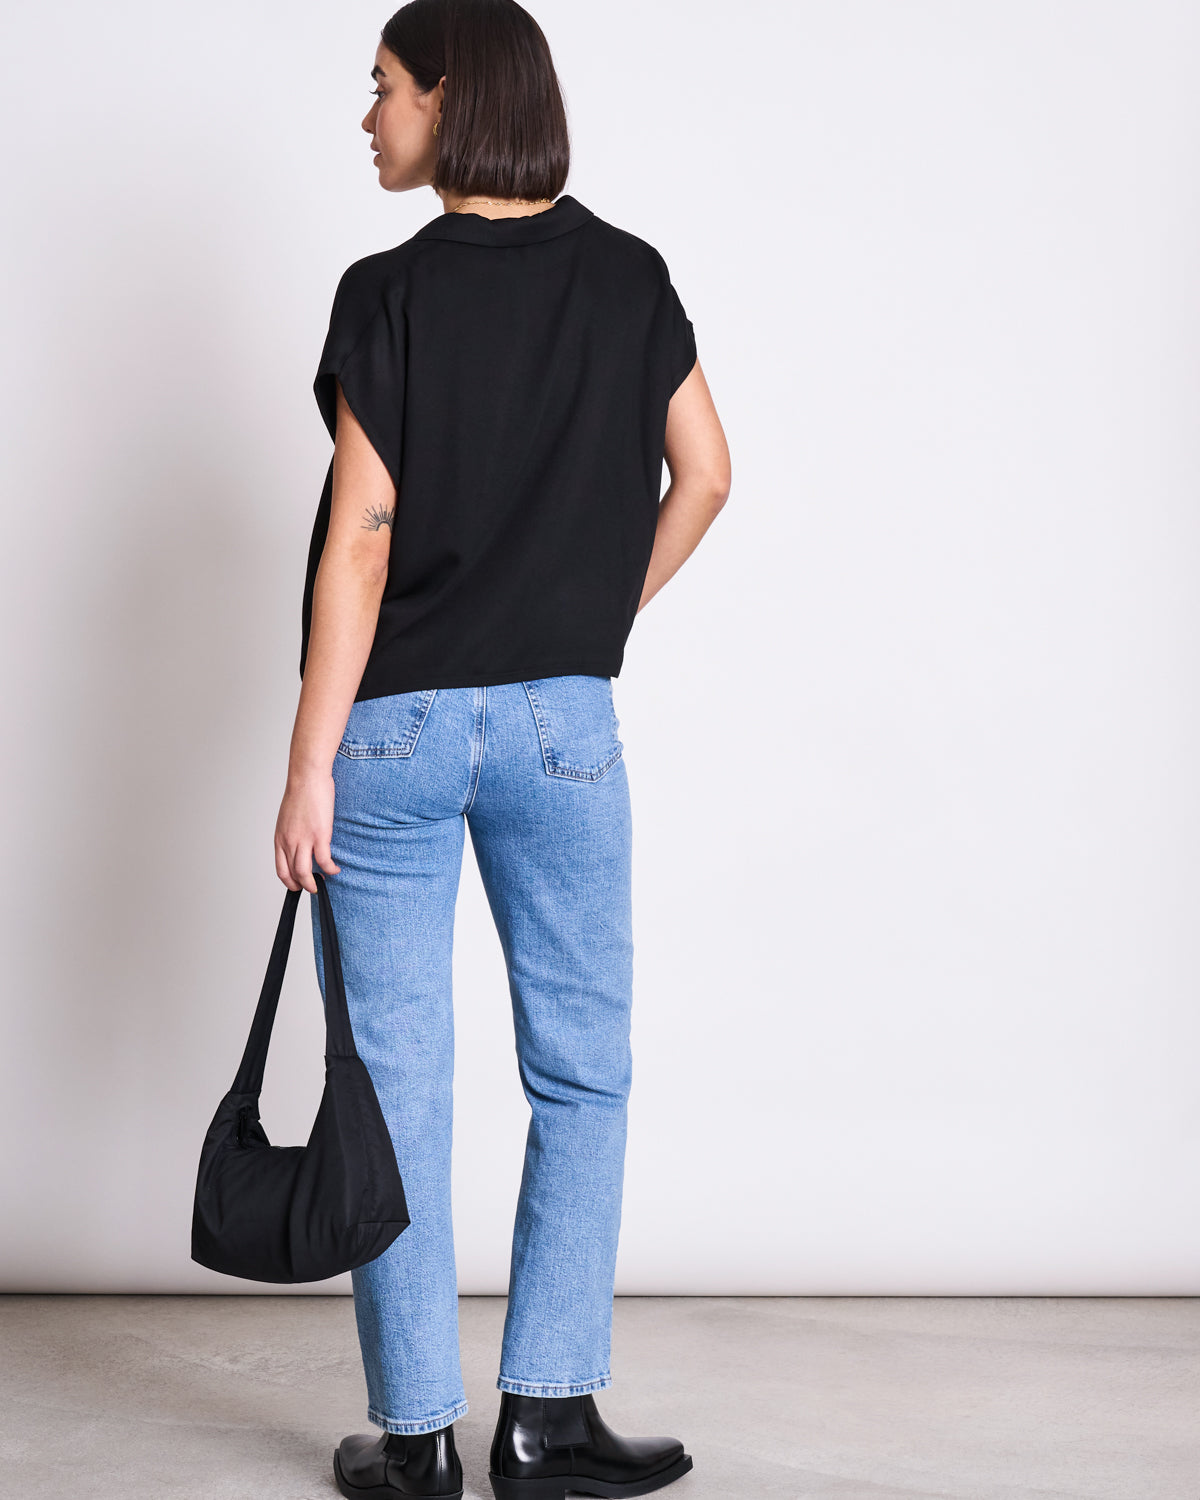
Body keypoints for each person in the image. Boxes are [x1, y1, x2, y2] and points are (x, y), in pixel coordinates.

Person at [273, 2, 730, 1496]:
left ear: (453, 99)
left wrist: (306, 764)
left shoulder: (386, 293)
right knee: (582, 1070)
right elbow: (710, 475)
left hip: (394, 728)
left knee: (397, 1083)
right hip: (563, 725)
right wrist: (589, 623)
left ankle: (416, 1445)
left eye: (385, 89)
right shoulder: (629, 277)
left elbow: (360, 536)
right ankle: (549, 1421)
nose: (370, 119)